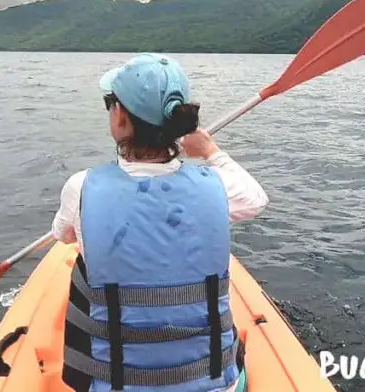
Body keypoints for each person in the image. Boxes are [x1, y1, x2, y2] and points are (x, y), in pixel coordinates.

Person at [51, 53, 269, 392]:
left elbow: (62, 235)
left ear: (120, 116)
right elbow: (256, 199)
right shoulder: (217, 185)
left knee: (82, 266)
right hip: (213, 385)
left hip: (117, 385)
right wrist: (211, 150)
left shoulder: (81, 187)